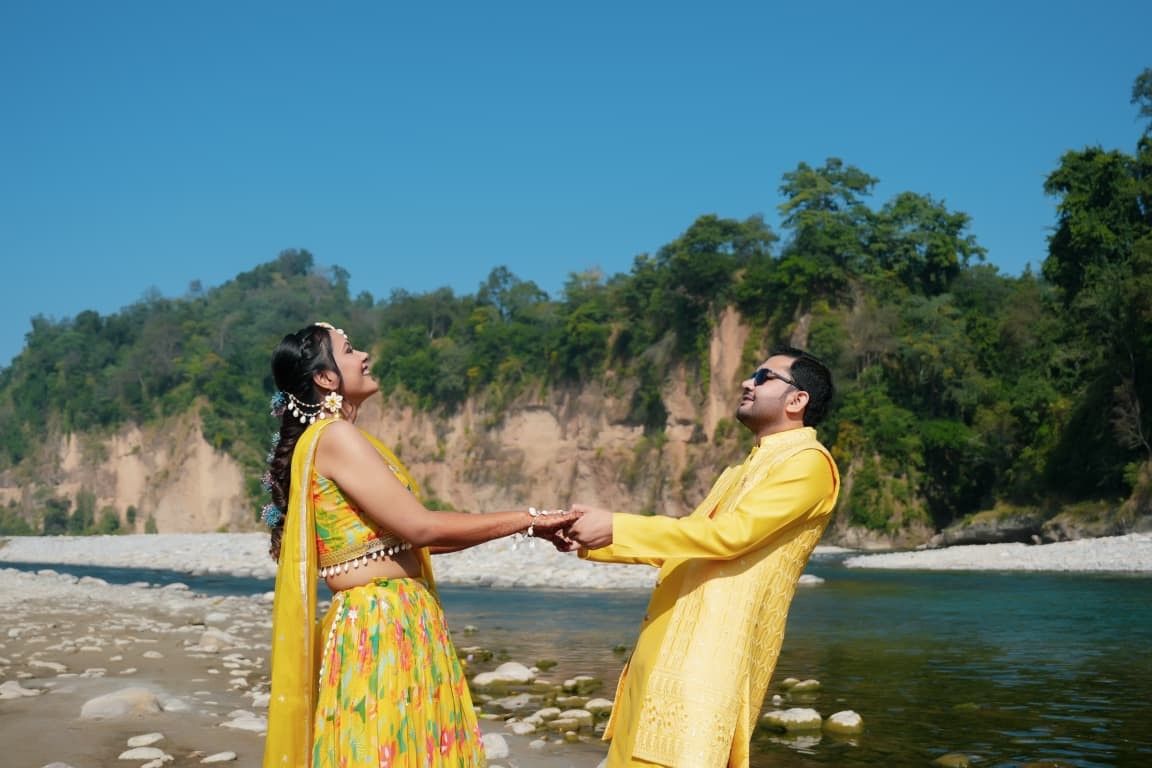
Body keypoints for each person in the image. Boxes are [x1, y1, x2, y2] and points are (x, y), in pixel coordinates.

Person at [261, 321, 578, 768]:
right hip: (379, 623)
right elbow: (422, 528)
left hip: (398, 617)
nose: (364, 356)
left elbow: (407, 541)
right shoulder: (335, 437)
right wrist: (528, 519)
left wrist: (525, 528)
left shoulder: (336, 439)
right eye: (349, 350)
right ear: (326, 378)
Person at [564, 345, 841, 767]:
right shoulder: (742, 470)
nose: (747, 382)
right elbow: (687, 544)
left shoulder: (808, 464)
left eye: (763, 377)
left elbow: (730, 537)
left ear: (797, 400)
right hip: (665, 648)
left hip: (704, 663)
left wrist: (616, 525)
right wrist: (591, 538)